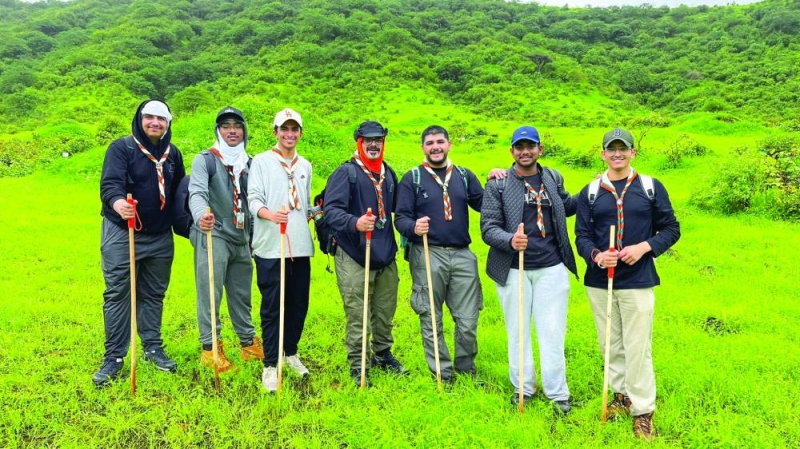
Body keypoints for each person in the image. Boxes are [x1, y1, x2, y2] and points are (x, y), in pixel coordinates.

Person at [574, 128, 680, 441]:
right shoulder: (590, 192)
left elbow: (671, 228)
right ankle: (620, 396)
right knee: (610, 344)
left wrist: (643, 247)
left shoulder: (650, 187)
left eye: (624, 149)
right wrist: (595, 255)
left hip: (637, 280)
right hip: (600, 281)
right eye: (611, 149)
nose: (617, 154)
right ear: (603, 154)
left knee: (638, 347)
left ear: (633, 152)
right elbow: (581, 236)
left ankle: (643, 411)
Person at [480, 125, 577, 414]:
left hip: (552, 267)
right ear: (512, 151)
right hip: (513, 269)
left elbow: (568, 206)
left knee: (552, 330)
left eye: (530, 146)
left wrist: (596, 188)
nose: (525, 152)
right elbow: (487, 227)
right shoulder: (497, 184)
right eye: (519, 147)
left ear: (540, 150)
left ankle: (558, 394)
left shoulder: (552, 177)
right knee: (518, 331)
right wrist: (510, 240)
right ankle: (523, 388)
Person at [94, 99, 185, 386]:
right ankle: (115, 356)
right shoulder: (122, 148)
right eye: (149, 117)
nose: (155, 123)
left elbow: (179, 193)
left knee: (154, 292)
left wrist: (190, 225)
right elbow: (110, 184)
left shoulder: (173, 155)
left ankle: (153, 347)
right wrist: (119, 203)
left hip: (159, 236)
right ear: (139, 119)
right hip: (124, 232)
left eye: (161, 119)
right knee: (119, 293)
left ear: (168, 124)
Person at [394, 125, 488, 383]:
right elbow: (400, 218)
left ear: (449, 144)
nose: (435, 147)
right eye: (429, 143)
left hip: (462, 255)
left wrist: (497, 179)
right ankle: (442, 376)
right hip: (427, 253)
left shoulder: (464, 175)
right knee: (431, 317)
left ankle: (466, 370)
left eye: (440, 141)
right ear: (423, 147)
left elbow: (483, 204)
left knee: (468, 319)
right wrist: (413, 227)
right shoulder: (412, 178)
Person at [323, 120, 407, 387]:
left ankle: (383, 354)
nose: (373, 145)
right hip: (353, 253)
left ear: (384, 142)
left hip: (385, 253)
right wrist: (355, 222)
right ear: (358, 142)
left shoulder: (389, 173)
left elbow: (401, 209)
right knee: (358, 312)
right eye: (368, 140)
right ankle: (359, 366)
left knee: (384, 312)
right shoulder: (345, 173)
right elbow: (331, 211)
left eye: (378, 140)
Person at [188, 106, 263, 372]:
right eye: (226, 126)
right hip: (213, 231)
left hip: (241, 235)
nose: (232, 131)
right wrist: (200, 216)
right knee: (210, 292)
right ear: (218, 131)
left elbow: (257, 199)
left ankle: (248, 343)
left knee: (242, 293)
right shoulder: (206, 159)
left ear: (244, 131)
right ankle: (210, 349)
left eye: (237, 126)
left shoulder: (250, 163)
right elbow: (196, 193)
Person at [248, 108, 314, 393]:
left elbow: (306, 202)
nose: (289, 134)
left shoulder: (306, 165)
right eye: (283, 129)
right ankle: (271, 365)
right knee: (273, 306)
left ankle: (290, 353)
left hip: (299, 245)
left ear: (299, 133)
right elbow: (253, 200)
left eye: (294, 129)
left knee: (299, 303)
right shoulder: (261, 162)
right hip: (271, 245)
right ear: (275, 132)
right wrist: (269, 214)